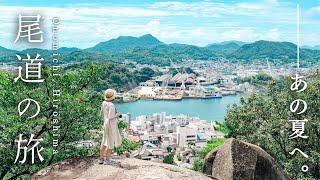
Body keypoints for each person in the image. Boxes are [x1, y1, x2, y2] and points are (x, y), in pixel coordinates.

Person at [99, 89, 122, 165]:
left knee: (104, 140)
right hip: (110, 125)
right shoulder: (111, 105)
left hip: (105, 123)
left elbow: (102, 114)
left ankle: (101, 159)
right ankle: (107, 159)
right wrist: (118, 115)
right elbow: (111, 116)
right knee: (110, 142)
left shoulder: (103, 103)